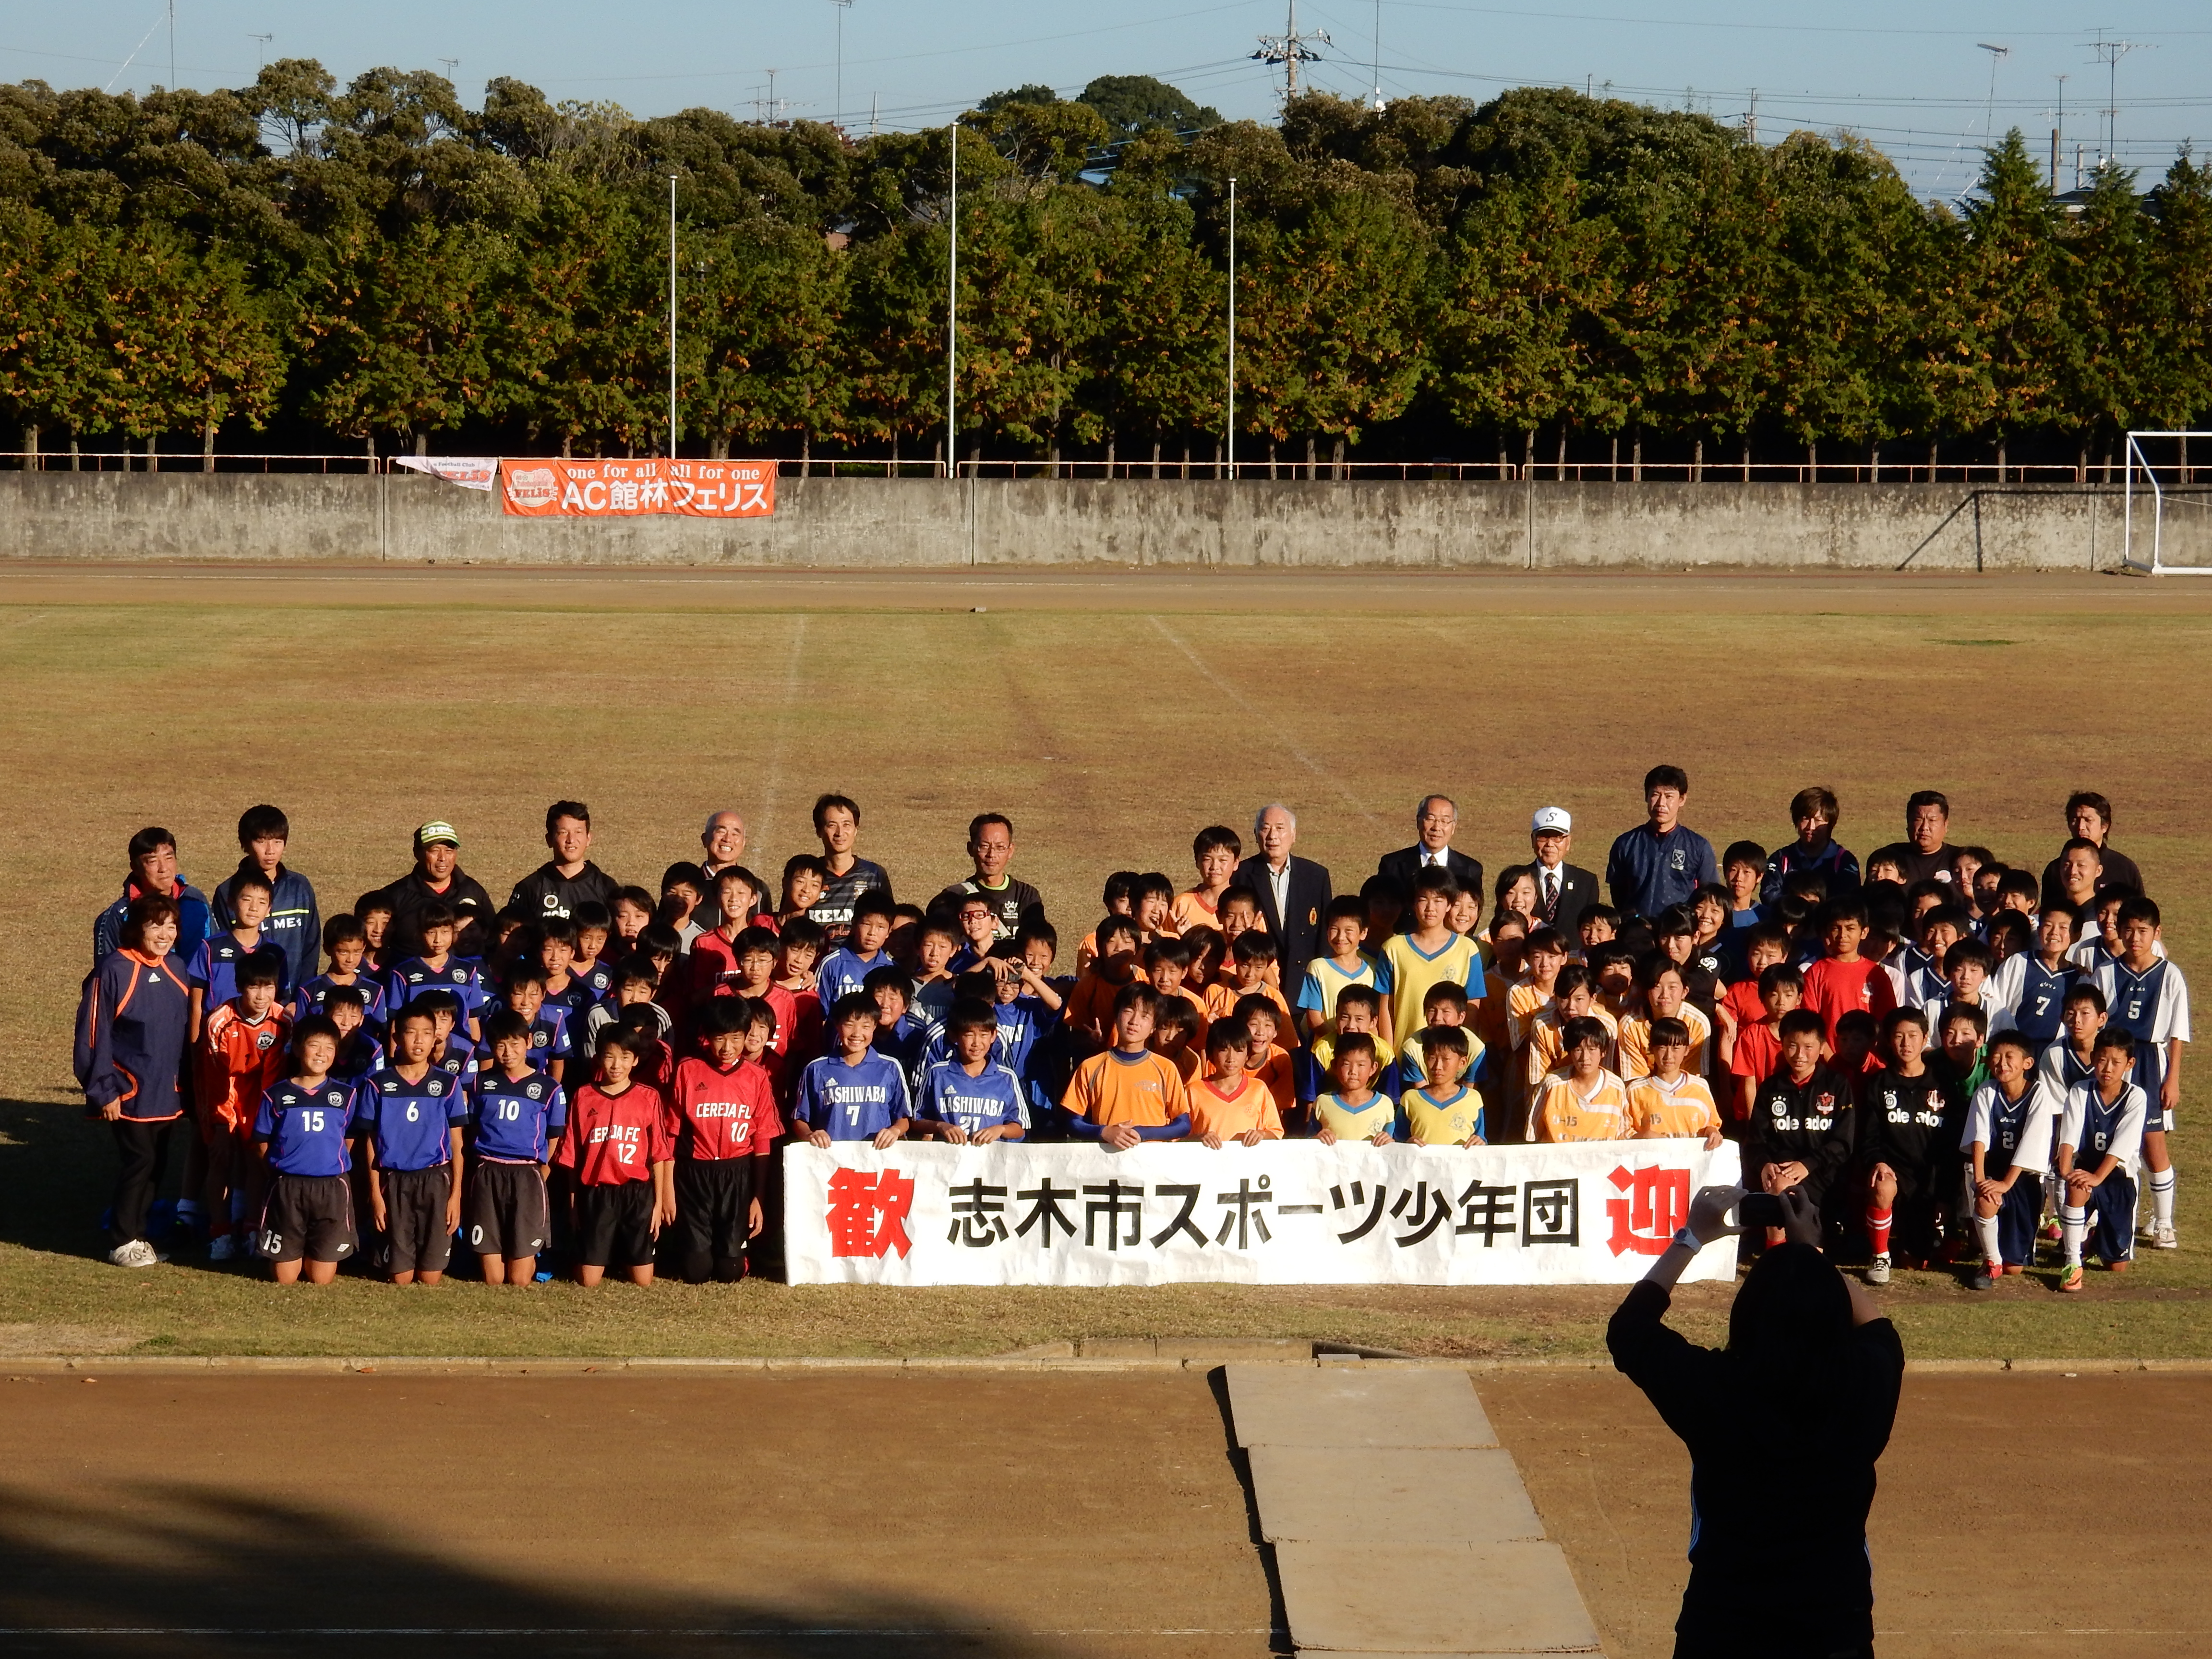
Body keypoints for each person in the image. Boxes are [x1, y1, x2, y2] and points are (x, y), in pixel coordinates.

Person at [1608, 1184, 1901, 1659]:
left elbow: (1630, 1330)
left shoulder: (1717, 1388)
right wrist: (1812, 1254)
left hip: (1723, 1624)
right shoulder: (1864, 1384)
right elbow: (1877, 1329)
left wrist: (1692, 1236)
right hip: (1834, 1627)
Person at [74, 890, 193, 1266]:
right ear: (136, 929)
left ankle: (140, 1237)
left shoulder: (176, 967)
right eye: (155, 926)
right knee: (139, 1159)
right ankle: (121, 1240)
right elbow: (94, 1034)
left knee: (156, 1162)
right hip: (128, 1090)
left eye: (171, 926)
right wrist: (103, 1089)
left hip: (167, 1091)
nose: (164, 934)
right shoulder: (114, 969)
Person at [2092, 896, 2188, 1250]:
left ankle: (2164, 1223)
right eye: (2128, 930)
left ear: (2156, 933)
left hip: (2149, 1062)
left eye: (2143, 931)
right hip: (2112, 1061)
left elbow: (2177, 1032)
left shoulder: (2170, 974)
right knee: (2105, 1139)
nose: (2135, 938)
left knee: (2153, 1145)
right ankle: (2102, 1215)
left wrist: (2172, 1078)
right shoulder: (2106, 972)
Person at [666, 998, 782, 1283]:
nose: (727, 1048)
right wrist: (668, 1190)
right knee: (696, 1272)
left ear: (746, 1037)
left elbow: (763, 1139)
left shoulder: (756, 1077)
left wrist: (758, 1197)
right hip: (695, 1172)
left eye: (736, 1039)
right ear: (706, 1036)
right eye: (720, 1039)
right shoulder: (688, 1070)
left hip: (738, 1172)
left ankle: (737, 1254)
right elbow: (670, 1132)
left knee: (729, 1272)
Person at [355, 1007, 468, 1286]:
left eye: (426, 1034)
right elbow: (370, 1142)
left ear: (435, 1040)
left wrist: (455, 1196)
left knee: (430, 1278)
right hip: (394, 1181)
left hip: (435, 1180)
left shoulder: (448, 1084)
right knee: (401, 1278)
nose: (418, 1041)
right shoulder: (378, 1084)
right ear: (397, 1038)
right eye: (411, 1033)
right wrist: (376, 1194)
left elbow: (458, 1143)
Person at [555, 1026, 675, 1287]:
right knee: (588, 1282)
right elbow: (573, 1157)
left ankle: (627, 1255)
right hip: (598, 1194)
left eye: (624, 1057)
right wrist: (575, 1203)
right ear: (598, 1058)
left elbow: (660, 1155)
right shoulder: (583, 1096)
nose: (616, 1065)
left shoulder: (648, 1097)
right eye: (610, 1056)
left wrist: (657, 1204)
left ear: (635, 1060)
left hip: (637, 1193)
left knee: (644, 1282)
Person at [194, 955, 291, 1262]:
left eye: (269, 988)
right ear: (239, 988)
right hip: (224, 1094)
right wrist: (219, 1118)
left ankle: (252, 1230)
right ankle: (220, 1233)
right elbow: (213, 1074)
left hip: (260, 1097)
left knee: (256, 1159)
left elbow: (276, 1075)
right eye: (254, 988)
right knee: (220, 1159)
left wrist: (266, 1117)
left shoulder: (283, 1022)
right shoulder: (219, 1021)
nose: (262, 996)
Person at [251, 1015, 360, 1284]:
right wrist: (281, 1169)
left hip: (331, 1187)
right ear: (298, 1048)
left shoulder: (346, 1096)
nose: (322, 1054)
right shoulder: (275, 1095)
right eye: (315, 1046)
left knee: (321, 1279)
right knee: (285, 1278)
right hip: (288, 1186)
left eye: (329, 1048)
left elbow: (349, 1138)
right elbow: (262, 1142)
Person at [1855, 1009, 1960, 1283]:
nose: (1906, 1043)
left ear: (1925, 1039)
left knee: (1914, 1263)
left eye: (1913, 1036)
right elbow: (1868, 1137)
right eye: (1899, 1036)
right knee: (1883, 1184)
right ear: (1889, 1041)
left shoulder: (1943, 1085)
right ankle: (1879, 1257)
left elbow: (1951, 1148)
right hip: (1893, 1173)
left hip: (1928, 1182)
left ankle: (1935, 1237)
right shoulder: (1879, 1083)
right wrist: (1877, 1162)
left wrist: (1946, 1197)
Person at [469, 1010, 567, 1285]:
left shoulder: (549, 1088)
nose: (507, 1052)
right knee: (493, 1279)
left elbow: (555, 1137)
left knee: (519, 1280)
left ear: (529, 1042)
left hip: (527, 1174)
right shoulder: (481, 1083)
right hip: (488, 1171)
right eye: (500, 1044)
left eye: (514, 1043)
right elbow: (473, 1128)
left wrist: (542, 1173)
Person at [2056, 1029, 2150, 1290]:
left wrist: (2098, 1177)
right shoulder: (2080, 1090)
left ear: (2129, 1064)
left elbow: (2123, 1145)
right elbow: (2069, 1135)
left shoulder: (2136, 1097)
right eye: (2101, 1060)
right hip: (2086, 1174)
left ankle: (2095, 1239)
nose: (2107, 1069)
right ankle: (2073, 1263)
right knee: (2076, 1185)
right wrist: (2066, 1172)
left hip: (2119, 1181)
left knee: (2116, 1267)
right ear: (2094, 1058)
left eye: (2116, 1062)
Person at [1964, 1032, 2054, 1288]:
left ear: (2027, 1063)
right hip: (1993, 1173)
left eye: (2009, 1057)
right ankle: (1991, 1262)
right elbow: (1978, 1137)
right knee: (1984, 1200)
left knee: (2015, 1268)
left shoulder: (2039, 1094)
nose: (2002, 1063)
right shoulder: (1987, 1091)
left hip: (2023, 1179)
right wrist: (1981, 1181)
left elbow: (2031, 1144)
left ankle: (2008, 1255)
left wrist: (2005, 1184)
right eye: (1996, 1057)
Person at [1380, 866, 1488, 1070]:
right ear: (1413, 903)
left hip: (1449, 1063)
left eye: (1438, 900)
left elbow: (1472, 1010)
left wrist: (1464, 1060)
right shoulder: (1393, 948)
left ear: (1449, 905)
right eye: (1423, 900)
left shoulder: (1467, 950)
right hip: (1405, 1058)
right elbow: (1386, 1005)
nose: (1430, 908)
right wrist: (1389, 1055)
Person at [1061, 985, 1192, 1148]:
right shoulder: (1090, 1067)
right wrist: (1104, 1132)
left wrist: (1143, 1134)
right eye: (1129, 1011)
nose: (1134, 1021)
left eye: (1145, 1016)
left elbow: (1183, 1124)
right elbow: (1072, 1123)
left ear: (1153, 1027)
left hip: (1151, 1165)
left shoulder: (1166, 1068)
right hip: (1107, 1164)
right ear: (1116, 1016)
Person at [211, 804, 322, 990]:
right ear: (245, 843)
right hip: (247, 1001)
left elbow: (311, 947)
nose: (270, 850)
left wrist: (301, 996)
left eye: (278, 841)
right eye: (262, 841)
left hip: (293, 1001)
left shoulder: (300, 887)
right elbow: (221, 952)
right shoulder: (227, 892)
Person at [1235, 804, 1333, 999]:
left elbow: (1324, 937)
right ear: (1256, 834)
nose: (1273, 836)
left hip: (1304, 991)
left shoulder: (1316, 876)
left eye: (1280, 828)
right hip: (1256, 990)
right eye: (1265, 828)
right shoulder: (1240, 875)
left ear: (1293, 835)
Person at [793, 993, 913, 1147]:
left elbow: (904, 1117)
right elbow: (800, 1119)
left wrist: (895, 1131)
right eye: (849, 1025)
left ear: (875, 1027)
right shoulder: (816, 1069)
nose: (857, 1034)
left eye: (865, 1026)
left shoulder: (890, 1067)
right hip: (831, 1160)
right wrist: (811, 1135)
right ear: (837, 1024)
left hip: (878, 1157)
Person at [186, 871, 288, 1043]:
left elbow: (279, 1003)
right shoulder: (210, 949)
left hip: (260, 1044)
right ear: (231, 902)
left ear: (269, 909)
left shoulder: (275, 953)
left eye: (262, 902)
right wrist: (196, 1048)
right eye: (247, 900)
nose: (254, 907)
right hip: (216, 1042)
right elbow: (196, 1006)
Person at [1605, 766, 1718, 920]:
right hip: (1637, 934)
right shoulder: (1626, 843)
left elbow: (1708, 894)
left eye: (1669, 796)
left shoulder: (1698, 846)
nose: (1661, 803)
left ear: (1682, 800)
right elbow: (1618, 892)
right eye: (1655, 795)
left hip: (1679, 933)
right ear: (1646, 796)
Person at [93, 826, 213, 966]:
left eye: (169, 858)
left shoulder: (195, 900)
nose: (164, 869)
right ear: (135, 868)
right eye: (152, 861)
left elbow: (214, 951)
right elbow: (107, 973)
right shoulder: (120, 915)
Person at [375, 821, 496, 961]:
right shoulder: (395, 896)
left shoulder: (473, 890)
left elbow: (493, 938)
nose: (443, 858)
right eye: (434, 850)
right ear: (417, 853)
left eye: (449, 851)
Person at [915, 999, 1030, 1143]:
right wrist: (940, 1126)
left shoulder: (1007, 1077)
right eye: (969, 1035)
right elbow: (917, 1121)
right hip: (949, 1160)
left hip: (990, 1161)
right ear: (954, 1036)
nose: (976, 1043)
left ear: (994, 1036)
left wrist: (1000, 1129)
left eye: (984, 1035)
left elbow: (1021, 1127)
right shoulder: (937, 1073)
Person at [927, 812, 1044, 939]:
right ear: (971, 849)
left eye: (1000, 847)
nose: (991, 854)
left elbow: (1036, 944)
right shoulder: (953, 897)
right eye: (984, 846)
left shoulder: (1026, 896)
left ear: (1010, 851)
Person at [1800, 899, 1897, 1049]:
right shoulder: (1816, 972)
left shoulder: (1877, 974)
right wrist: (1829, 1058)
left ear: (1864, 932)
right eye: (1836, 928)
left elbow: (1887, 1022)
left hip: (1869, 1061)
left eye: (1850, 928)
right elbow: (1811, 1025)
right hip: (1829, 1060)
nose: (1842, 935)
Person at [507, 800, 621, 922]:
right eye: (563, 833)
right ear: (549, 839)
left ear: (588, 838)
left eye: (578, 832)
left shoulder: (607, 887)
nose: (571, 840)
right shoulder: (530, 888)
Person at [1375, 795, 1483, 917]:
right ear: (1419, 821)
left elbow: (1472, 913)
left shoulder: (1470, 869)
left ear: (1453, 827)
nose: (1437, 828)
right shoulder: (1392, 864)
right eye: (1431, 819)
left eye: (1444, 821)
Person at [806, 793, 892, 941]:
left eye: (847, 825)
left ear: (856, 830)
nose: (840, 833)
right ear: (819, 831)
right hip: (817, 962)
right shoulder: (807, 876)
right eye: (832, 825)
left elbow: (888, 923)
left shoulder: (874, 875)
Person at [1627, 1018, 1725, 1147]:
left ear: (1686, 1050)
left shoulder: (1700, 1087)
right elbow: (1624, 1134)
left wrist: (1712, 1132)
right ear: (1651, 1049)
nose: (1669, 1056)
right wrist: (1644, 1137)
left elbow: (1711, 1125)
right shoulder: (1635, 1091)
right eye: (1662, 1048)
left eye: (1675, 1048)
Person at [2039, 791, 2144, 909]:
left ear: (2104, 826)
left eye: (2088, 820)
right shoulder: (2056, 869)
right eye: (2075, 819)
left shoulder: (2124, 868)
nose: (2080, 827)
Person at [1188, 1020, 1283, 1148]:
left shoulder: (1259, 1089)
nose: (1231, 1058)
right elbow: (1178, 1138)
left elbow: (1276, 1133)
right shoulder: (1193, 1091)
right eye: (1223, 1050)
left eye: (1239, 1050)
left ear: (1247, 1055)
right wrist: (1199, 1138)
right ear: (1211, 1053)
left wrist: (1262, 1135)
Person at [1535, 1018, 1630, 1142]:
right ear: (1569, 1052)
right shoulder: (1552, 1084)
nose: (1585, 1058)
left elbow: (1622, 1136)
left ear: (1603, 1052)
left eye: (1592, 1049)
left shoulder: (1616, 1087)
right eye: (1578, 1050)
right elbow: (1534, 1136)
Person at [1759, 786, 1859, 903]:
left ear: (1831, 824)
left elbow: (1847, 900)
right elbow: (1769, 894)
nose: (1811, 827)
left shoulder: (1844, 861)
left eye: (1818, 821)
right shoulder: (1781, 859)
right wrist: (1796, 913)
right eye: (1805, 819)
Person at [1525, 806, 1600, 935]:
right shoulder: (1518, 879)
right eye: (1543, 837)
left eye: (1557, 838)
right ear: (1533, 840)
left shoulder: (1586, 882)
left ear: (1568, 842)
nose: (1550, 844)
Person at [1312, 1033, 1396, 1144]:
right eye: (1346, 1064)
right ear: (1334, 1066)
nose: (1353, 1071)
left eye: (1361, 1065)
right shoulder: (1322, 1102)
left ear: (1373, 1068)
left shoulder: (1385, 1104)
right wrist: (1316, 1139)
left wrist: (1390, 1142)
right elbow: (1308, 1144)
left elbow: (1395, 1144)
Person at [1865, 791, 1955, 889]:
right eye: (1918, 820)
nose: (1924, 827)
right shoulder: (1890, 858)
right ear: (1908, 823)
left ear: (1945, 825)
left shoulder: (1959, 861)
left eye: (1932, 820)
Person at [1173, 826, 1243, 936]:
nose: (1215, 866)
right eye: (1207, 859)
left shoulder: (1245, 905)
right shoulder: (1181, 904)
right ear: (1197, 861)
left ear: (1236, 863)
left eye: (1223, 860)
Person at [695, 809, 750, 929]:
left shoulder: (758, 890)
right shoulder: (689, 887)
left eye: (735, 834)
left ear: (743, 844)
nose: (728, 839)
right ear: (705, 839)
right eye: (721, 831)